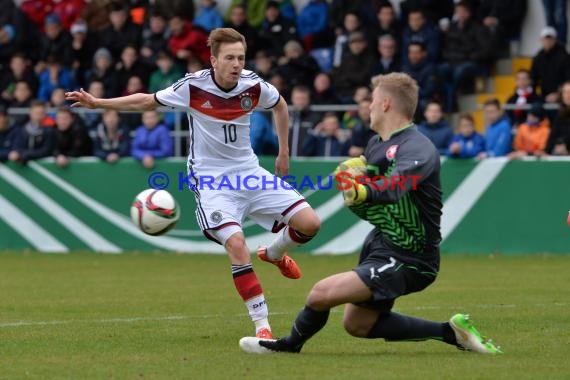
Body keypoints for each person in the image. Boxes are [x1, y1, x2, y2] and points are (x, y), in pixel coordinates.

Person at [65, 28, 321, 339]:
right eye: (229, 58)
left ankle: (275, 253)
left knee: (310, 223)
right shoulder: (192, 86)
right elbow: (147, 101)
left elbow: (280, 105)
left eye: (240, 57)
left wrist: (284, 152)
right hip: (212, 180)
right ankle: (263, 327)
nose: (237, 64)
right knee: (237, 244)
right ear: (214, 60)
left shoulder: (253, 85)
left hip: (249, 171)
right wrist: (98, 103)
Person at [239, 72, 502, 355]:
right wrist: (356, 178)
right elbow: (373, 202)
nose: (369, 106)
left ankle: (287, 346)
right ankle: (451, 332)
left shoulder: (418, 147)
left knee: (320, 293)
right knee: (358, 324)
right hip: (381, 244)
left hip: (411, 256)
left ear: (386, 103)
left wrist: (363, 191)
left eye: (373, 100)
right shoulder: (376, 144)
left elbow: (395, 187)